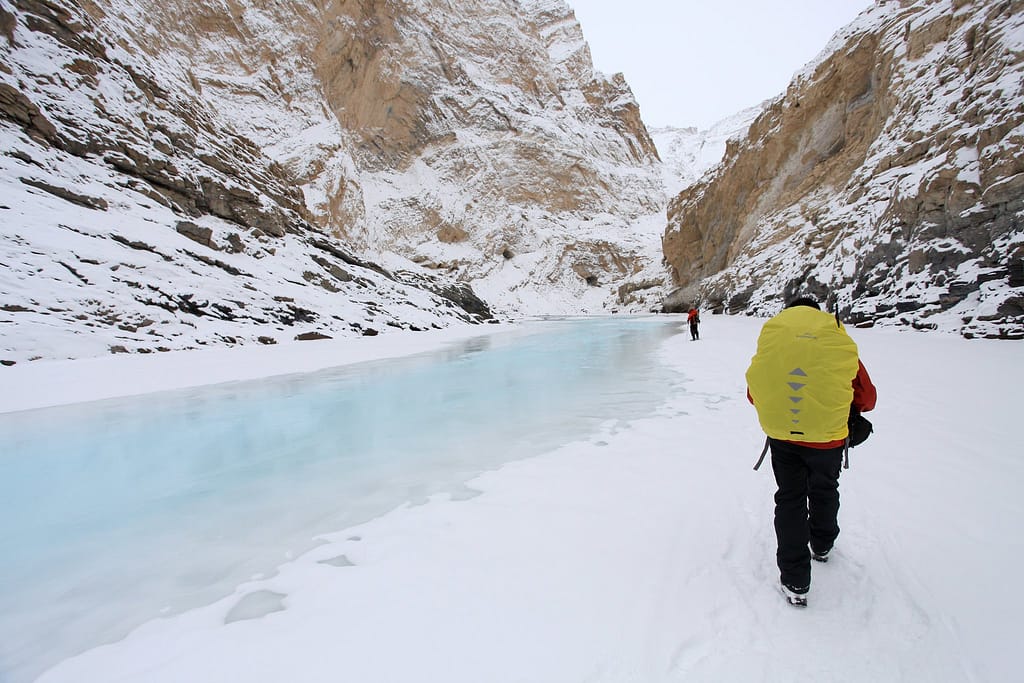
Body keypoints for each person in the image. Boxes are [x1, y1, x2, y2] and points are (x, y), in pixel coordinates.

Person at [745, 296, 876, 607]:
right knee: (825, 488)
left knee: (790, 498)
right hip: (828, 438)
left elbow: (754, 394)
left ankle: (795, 581)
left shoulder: (774, 343)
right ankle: (822, 543)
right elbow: (867, 398)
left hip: (783, 438)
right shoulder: (835, 339)